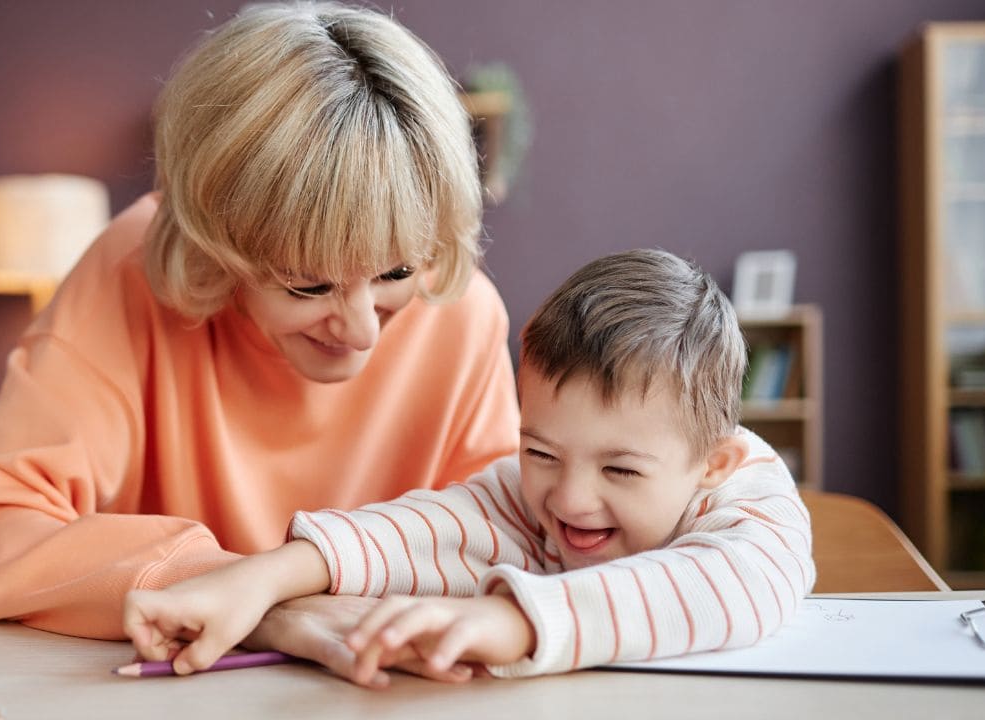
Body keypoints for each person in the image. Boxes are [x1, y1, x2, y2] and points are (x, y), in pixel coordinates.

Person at [0, 1, 521, 683]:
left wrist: (276, 589)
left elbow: (507, 539)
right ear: (214, 249)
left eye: (395, 272)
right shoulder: (130, 270)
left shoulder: (463, 310)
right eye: (309, 285)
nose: (363, 330)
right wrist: (251, 598)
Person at [123, 249, 817, 686]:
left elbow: (734, 585)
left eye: (622, 473)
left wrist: (511, 622)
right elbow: (430, 526)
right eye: (540, 452)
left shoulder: (751, 499)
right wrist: (263, 577)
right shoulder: (533, 493)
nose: (570, 498)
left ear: (711, 464)